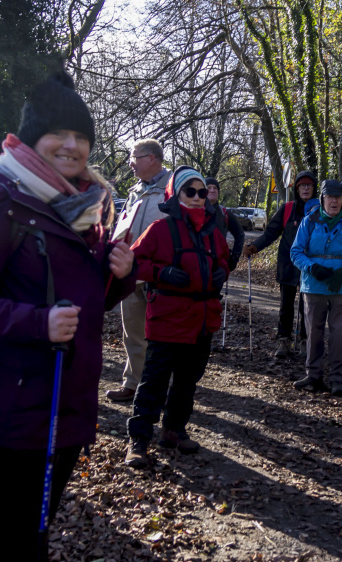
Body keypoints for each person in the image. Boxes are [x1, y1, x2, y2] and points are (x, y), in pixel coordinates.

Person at [0, 70, 136, 558]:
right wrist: (37, 323)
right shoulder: (0, 203)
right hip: (12, 410)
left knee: (35, 536)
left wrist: (121, 274)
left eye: (82, 137)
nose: (72, 146)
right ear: (30, 140)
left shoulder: (80, 209)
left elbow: (84, 306)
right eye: (59, 134)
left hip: (64, 407)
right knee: (2, 541)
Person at [124, 166, 230, 468]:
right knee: (153, 382)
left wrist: (223, 270)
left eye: (201, 193)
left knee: (187, 382)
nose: (197, 198)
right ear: (176, 194)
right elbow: (134, 262)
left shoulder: (212, 231)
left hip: (202, 320)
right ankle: (138, 441)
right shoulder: (160, 229)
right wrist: (161, 273)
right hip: (168, 319)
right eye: (190, 192)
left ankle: (173, 430)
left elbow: (222, 259)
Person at [290, 179, 342, 396]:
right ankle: (313, 375)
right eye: (330, 197)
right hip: (313, 287)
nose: (334, 201)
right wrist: (312, 268)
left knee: (340, 335)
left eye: (338, 197)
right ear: (322, 198)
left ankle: (337, 378)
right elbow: (295, 252)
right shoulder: (309, 222)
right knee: (313, 333)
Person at [106, 139, 171, 403]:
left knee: (163, 337)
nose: (130, 163)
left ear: (152, 158)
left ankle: (163, 391)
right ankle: (132, 384)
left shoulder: (174, 188)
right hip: (131, 273)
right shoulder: (134, 191)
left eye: (135, 157)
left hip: (161, 275)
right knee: (132, 332)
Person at [243, 171, 320, 357]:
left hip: (311, 266)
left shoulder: (320, 211)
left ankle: (304, 341)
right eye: (302, 185)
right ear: (297, 188)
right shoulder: (287, 209)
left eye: (309, 185)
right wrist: (255, 247)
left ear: (314, 189)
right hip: (288, 264)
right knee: (286, 306)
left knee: (307, 306)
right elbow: (270, 233)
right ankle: (283, 341)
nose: (306, 188)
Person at [206, 176, 244, 271]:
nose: (212, 190)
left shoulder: (225, 213)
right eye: (209, 187)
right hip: (197, 265)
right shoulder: (194, 210)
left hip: (218, 266)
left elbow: (240, 234)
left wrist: (235, 256)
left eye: (215, 188)